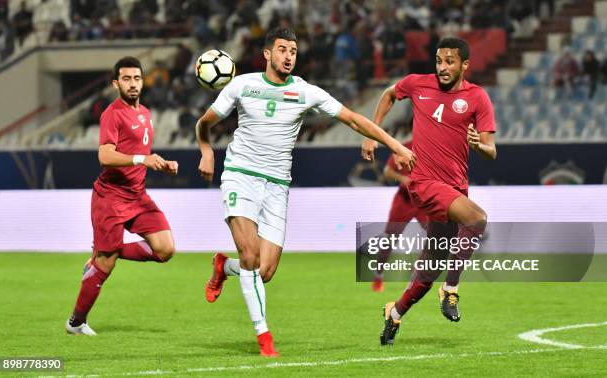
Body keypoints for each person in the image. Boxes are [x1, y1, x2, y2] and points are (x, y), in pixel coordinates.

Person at [195, 27, 414, 357]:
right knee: (251, 256)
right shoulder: (242, 85)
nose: (288, 56)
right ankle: (264, 337)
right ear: (267, 54)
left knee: (264, 272)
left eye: (293, 51)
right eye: (282, 49)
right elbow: (204, 123)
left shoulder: (305, 91)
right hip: (240, 177)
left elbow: (353, 119)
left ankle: (223, 267)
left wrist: (395, 145)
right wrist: (207, 150)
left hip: (277, 187)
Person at [362, 37, 497, 345]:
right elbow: (388, 94)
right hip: (424, 183)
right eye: (439, 61)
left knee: (429, 268)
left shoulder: (477, 98)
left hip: (454, 187)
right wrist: (374, 134)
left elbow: (492, 150)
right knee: (477, 218)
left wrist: (479, 146)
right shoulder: (418, 84)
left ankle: (394, 313)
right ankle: (450, 290)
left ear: (464, 65)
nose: (443, 67)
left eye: (450, 61)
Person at [65, 57, 179, 336]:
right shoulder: (111, 114)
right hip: (111, 198)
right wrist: (142, 159)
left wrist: (160, 162)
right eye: (126, 79)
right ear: (116, 83)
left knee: (165, 249)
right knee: (107, 265)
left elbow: (140, 151)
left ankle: (102, 254)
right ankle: (76, 322)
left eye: (137, 78)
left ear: (143, 81)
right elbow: (104, 155)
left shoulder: (146, 113)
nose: (132, 84)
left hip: (137, 197)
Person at [371, 140, 429, 292]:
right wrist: (403, 179)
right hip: (404, 200)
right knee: (390, 238)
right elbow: (387, 172)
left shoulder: (433, 146)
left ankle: (417, 268)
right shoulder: (404, 147)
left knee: (435, 234)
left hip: (424, 200)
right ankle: (378, 274)